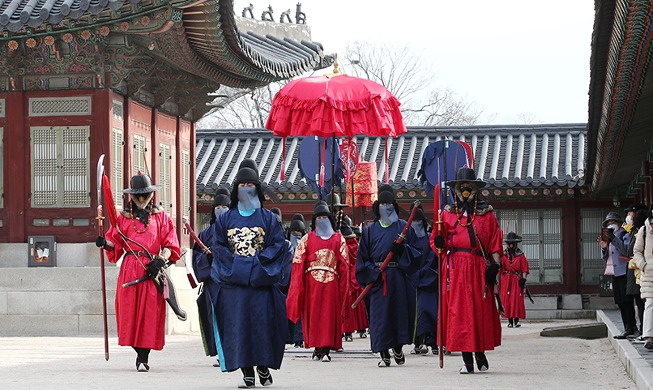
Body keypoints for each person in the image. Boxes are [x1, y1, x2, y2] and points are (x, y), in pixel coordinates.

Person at [209, 159, 289, 388]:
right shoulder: (225, 219)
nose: (246, 188)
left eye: (250, 184)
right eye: (241, 184)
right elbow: (219, 247)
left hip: (260, 283)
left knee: (262, 327)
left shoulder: (268, 219)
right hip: (235, 286)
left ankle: (263, 367)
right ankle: (247, 373)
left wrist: (256, 265)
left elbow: (277, 246)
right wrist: (239, 267)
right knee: (239, 327)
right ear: (236, 189)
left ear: (258, 188)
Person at [95, 173, 181, 372]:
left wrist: (160, 260)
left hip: (152, 269)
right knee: (128, 312)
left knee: (150, 312)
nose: (142, 198)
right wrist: (104, 243)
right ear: (131, 195)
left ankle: (143, 357)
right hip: (130, 269)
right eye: (138, 195)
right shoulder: (123, 220)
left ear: (151, 194)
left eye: (145, 194)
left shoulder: (162, 218)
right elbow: (115, 243)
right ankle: (137, 351)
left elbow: (170, 244)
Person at [432, 167, 502, 374]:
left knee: (479, 310)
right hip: (455, 267)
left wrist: (495, 266)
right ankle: (467, 361)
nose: (464, 191)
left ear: (475, 189)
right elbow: (439, 245)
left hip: (479, 266)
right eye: (460, 187)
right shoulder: (446, 214)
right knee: (459, 312)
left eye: (468, 187)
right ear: (455, 189)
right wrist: (439, 242)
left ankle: (479, 351)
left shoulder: (486, 215)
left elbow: (495, 243)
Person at [356, 188, 420, 367]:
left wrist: (403, 250)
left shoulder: (403, 228)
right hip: (378, 278)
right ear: (378, 207)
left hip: (398, 276)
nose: (386, 207)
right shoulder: (369, 230)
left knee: (398, 314)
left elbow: (417, 252)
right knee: (380, 317)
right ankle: (384, 353)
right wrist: (372, 272)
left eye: (389, 204)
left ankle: (398, 347)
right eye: (383, 204)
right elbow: (363, 258)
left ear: (395, 206)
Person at [287, 201, 349, 362]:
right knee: (313, 316)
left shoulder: (338, 239)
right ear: (314, 220)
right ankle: (317, 347)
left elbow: (344, 266)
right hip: (311, 284)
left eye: (324, 216)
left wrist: (344, 288)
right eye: (318, 217)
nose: (321, 219)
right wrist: (297, 286)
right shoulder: (307, 239)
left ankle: (326, 348)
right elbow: (298, 262)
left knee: (328, 316)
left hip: (331, 284)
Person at [192, 187, 230, 367]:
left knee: (231, 317)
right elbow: (196, 257)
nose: (221, 209)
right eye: (218, 207)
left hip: (232, 281)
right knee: (214, 317)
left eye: (225, 206)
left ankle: (233, 352)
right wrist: (206, 258)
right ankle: (219, 353)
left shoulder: (235, 230)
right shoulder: (205, 234)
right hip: (212, 283)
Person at [599, 211, 635, 339]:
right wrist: (604, 247)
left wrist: (614, 239)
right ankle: (627, 327)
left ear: (619, 223)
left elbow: (626, 250)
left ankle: (630, 327)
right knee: (619, 301)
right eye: (608, 223)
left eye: (613, 222)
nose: (610, 224)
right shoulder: (608, 237)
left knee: (626, 301)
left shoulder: (624, 234)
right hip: (614, 272)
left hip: (624, 271)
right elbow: (605, 256)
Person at [409, 206, 439, 355]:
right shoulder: (407, 240)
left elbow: (433, 257)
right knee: (415, 315)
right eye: (413, 220)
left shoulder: (429, 238)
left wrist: (423, 271)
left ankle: (433, 342)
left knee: (430, 312)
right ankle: (417, 343)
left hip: (428, 280)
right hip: (412, 282)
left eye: (418, 220)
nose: (416, 223)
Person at [341, 215, 369, 343]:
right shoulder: (354, 243)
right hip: (353, 273)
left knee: (349, 303)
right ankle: (359, 329)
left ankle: (347, 330)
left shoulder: (347, 242)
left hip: (348, 273)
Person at [500, 232, 529, 328]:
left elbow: (524, 268)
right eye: (509, 243)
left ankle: (516, 321)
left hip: (517, 280)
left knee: (516, 299)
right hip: (506, 279)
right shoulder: (503, 256)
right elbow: (500, 269)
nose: (511, 245)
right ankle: (509, 321)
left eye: (513, 243)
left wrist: (523, 279)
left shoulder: (521, 256)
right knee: (507, 300)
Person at [286, 214, 306, 348]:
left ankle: (300, 337)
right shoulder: (286, 244)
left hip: (301, 279)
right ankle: (292, 337)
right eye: (293, 232)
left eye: (298, 232)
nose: (296, 235)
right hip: (287, 280)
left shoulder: (306, 242)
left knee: (301, 310)